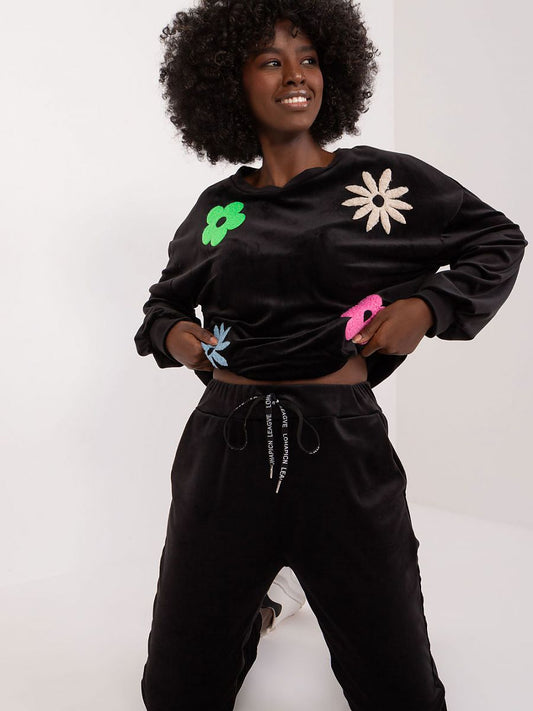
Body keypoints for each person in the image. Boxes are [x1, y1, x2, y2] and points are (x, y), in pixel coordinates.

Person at [133, 1, 528, 709]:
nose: (296, 75)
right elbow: (164, 303)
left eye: (309, 59)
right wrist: (176, 335)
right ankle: (258, 607)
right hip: (224, 446)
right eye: (270, 60)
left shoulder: (381, 183)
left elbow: (496, 239)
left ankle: (280, 591)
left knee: (400, 692)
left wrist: (427, 307)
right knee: (174, 693)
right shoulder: (218, 210)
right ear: (228, 83)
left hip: (340, 444)